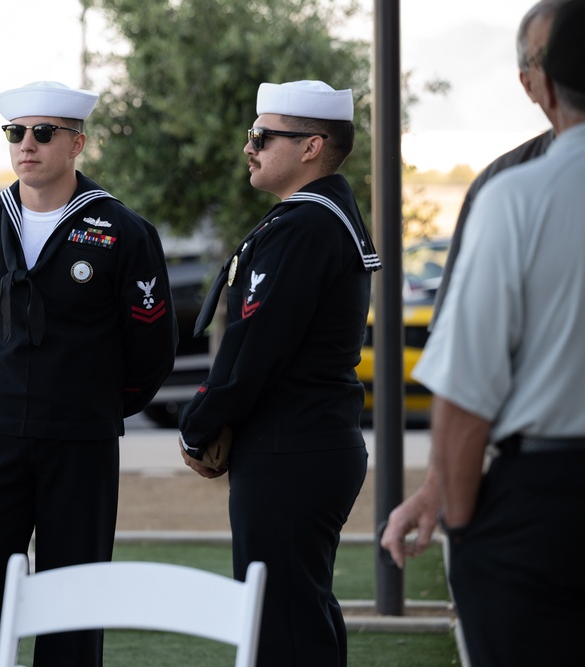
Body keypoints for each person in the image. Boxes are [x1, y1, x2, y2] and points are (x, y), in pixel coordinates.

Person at [0, 81, 178, 666]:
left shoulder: (123, 232)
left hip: (82, 442)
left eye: (43, 133)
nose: (27, 145)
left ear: (76, 143)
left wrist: (95, 404)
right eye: (16, 133)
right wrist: (8, 393)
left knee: (72, 607)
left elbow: (151, 345)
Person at [389, 2, 585, 664]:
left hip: (547, 505)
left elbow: (466, 396)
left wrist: (466, 527)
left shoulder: (517, 196)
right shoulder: (508, 186)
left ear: (545, 84)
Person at [178, 80, 380, 667]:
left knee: (280, 627)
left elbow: (254, 348)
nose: (251, 147)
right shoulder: (318, 217)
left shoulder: (305, 226)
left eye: (263, 136)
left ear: (312, 146)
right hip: (306, 442)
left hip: (290, 447)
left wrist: (199, 425)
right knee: (299, 614)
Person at [430, 0, 568, 329]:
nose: (571, 66)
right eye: (553, 56)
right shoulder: (497, 186)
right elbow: (457, 333)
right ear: (529, 83)